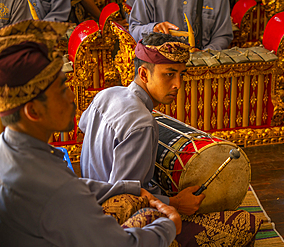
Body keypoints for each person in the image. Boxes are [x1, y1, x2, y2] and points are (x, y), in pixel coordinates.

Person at [0, 20, 181, 246]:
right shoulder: (55, 189)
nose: (70, 96)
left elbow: (78, 182)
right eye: (62, 89)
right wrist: (169, 225)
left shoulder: (7, 148)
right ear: (33, 111)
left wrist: (129, 187)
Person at [79, 32, 205, 215]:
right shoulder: (143, 124)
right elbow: (125, 198)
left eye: (181, 74)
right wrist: (176, 202)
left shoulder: (107, 94)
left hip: (89, 194)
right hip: (110, 218)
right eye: (169, 74)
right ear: (144, 74)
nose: (178, 84)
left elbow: (83, 127)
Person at [128, 0, 233, 51]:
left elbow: (222, 35)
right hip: (160, 68)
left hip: (203, 69)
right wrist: (153, 29)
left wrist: (205, 53)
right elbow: (134, 29)